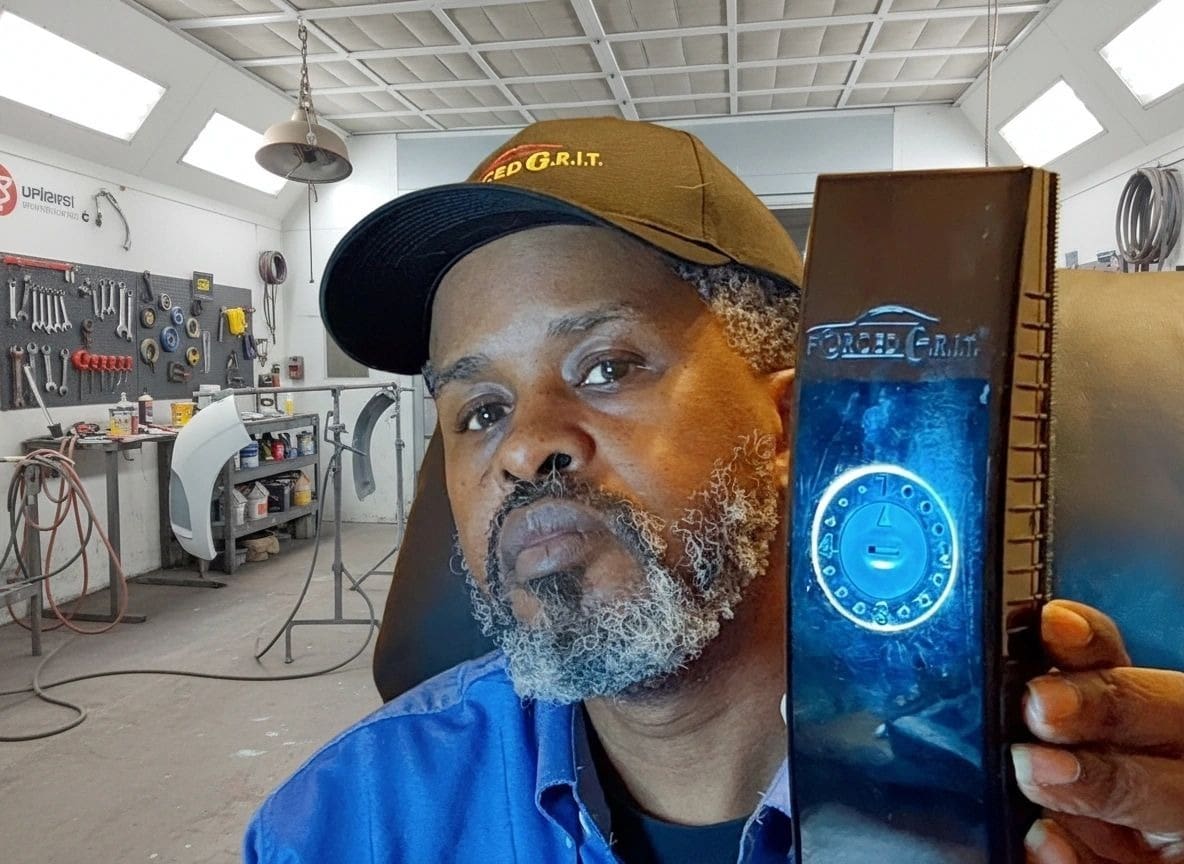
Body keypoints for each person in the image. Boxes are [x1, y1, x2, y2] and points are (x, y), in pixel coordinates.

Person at [244, 118, 1184, 863]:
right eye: (479, 409)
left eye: (606, 366)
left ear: (786, 427)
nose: (525, 448)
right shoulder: (339, 830)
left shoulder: (1031, 807)